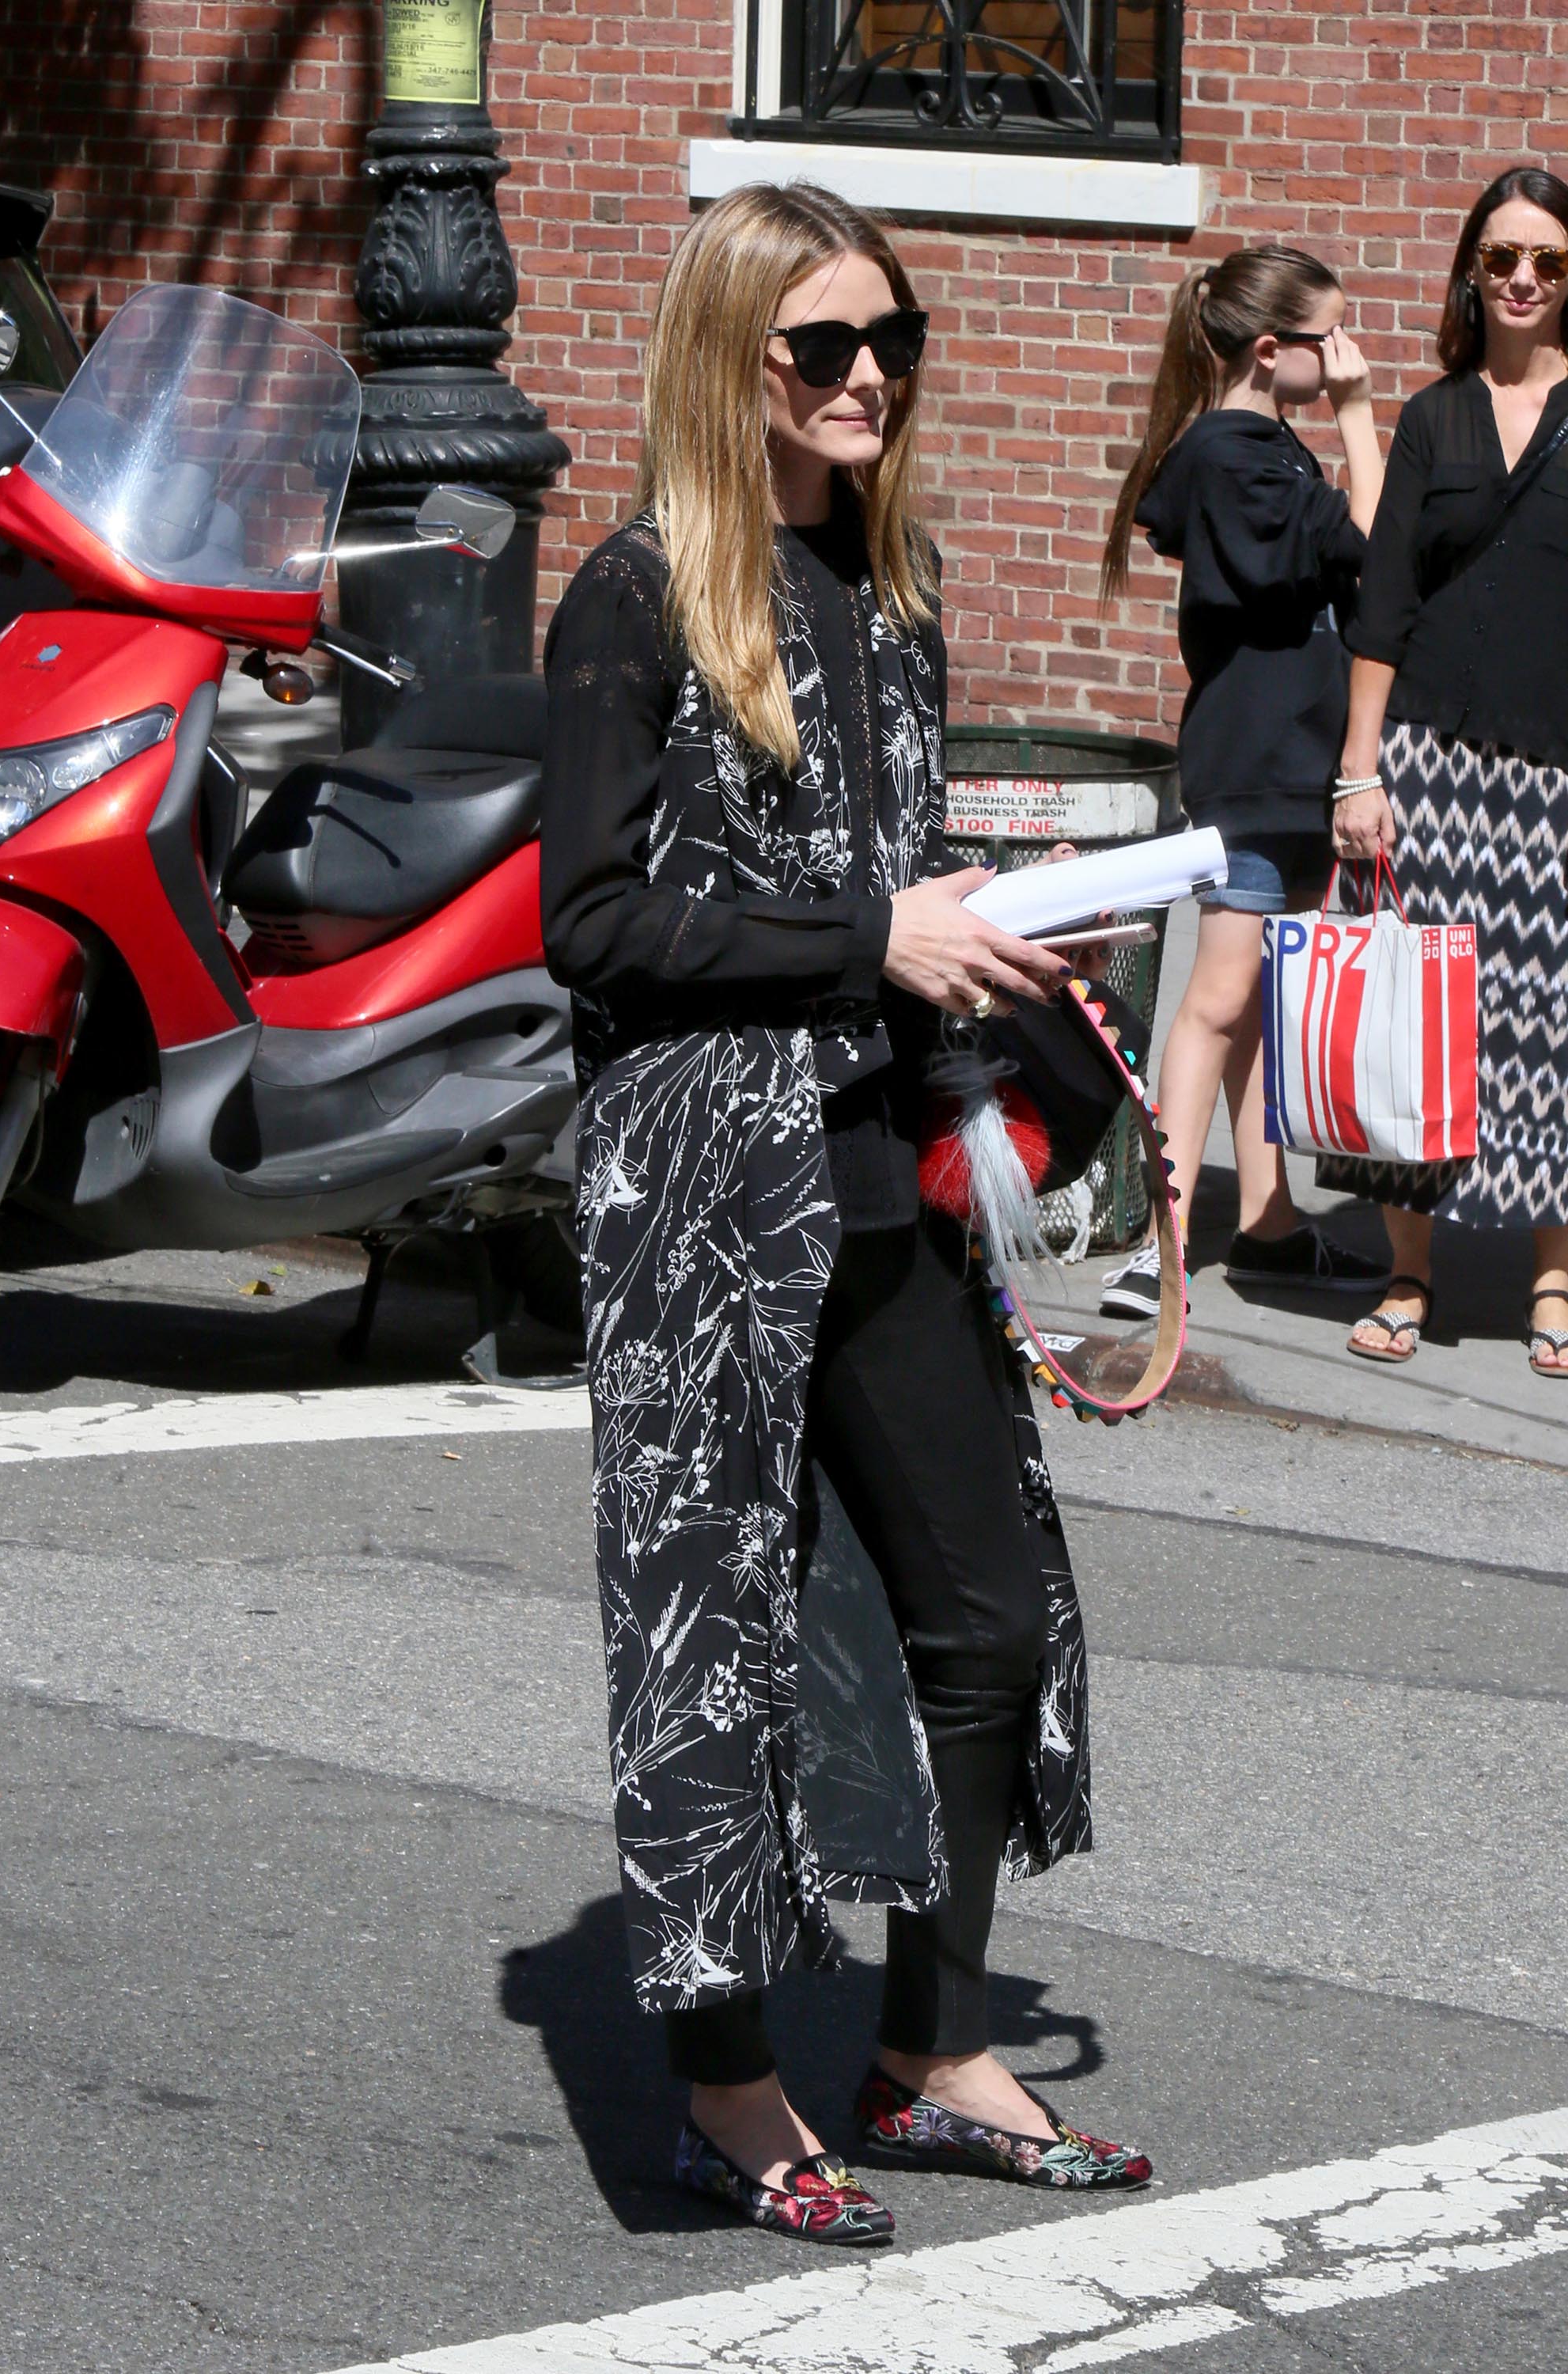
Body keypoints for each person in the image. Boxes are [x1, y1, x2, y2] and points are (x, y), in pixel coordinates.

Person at [540, 180, 1151, 2246]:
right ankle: (725, 2091)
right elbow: (596, 926)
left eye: (894, 336)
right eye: (822, 346)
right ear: (736, 363)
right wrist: (864, 935)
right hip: (707, 1199)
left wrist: (986, 943)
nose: (869, 372)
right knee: (712, 1642)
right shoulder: (638, 598)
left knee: (986, 1613)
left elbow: (891, 892)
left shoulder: (894, 591)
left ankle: (927, 2047)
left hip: (889, 1173)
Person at [1096, 248, 1388, 1322]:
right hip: (1263, 766)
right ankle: (1159, 1244)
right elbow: (1378, 542)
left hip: (1292, 761)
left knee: (1260, 1003)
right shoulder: (1237, 458)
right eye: (1332, 338)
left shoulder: (1257, 451)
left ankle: (1266, 1222)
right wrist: (1360, 414)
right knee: (1219, 1000)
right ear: (1274, 351)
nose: (1347, 355)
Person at [1328, 167, 1568, 1376]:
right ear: (1472, 272)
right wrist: (1357, 772)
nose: (1524, 278)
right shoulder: (1433, 416)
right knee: (1410, 1026)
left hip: (1557, 785)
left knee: (1550, 1026)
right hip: (1425, 762)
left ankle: (1555, 1276)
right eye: (1503, 257)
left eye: (1549, 260)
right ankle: (1410, 1270)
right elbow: (1385, 603)